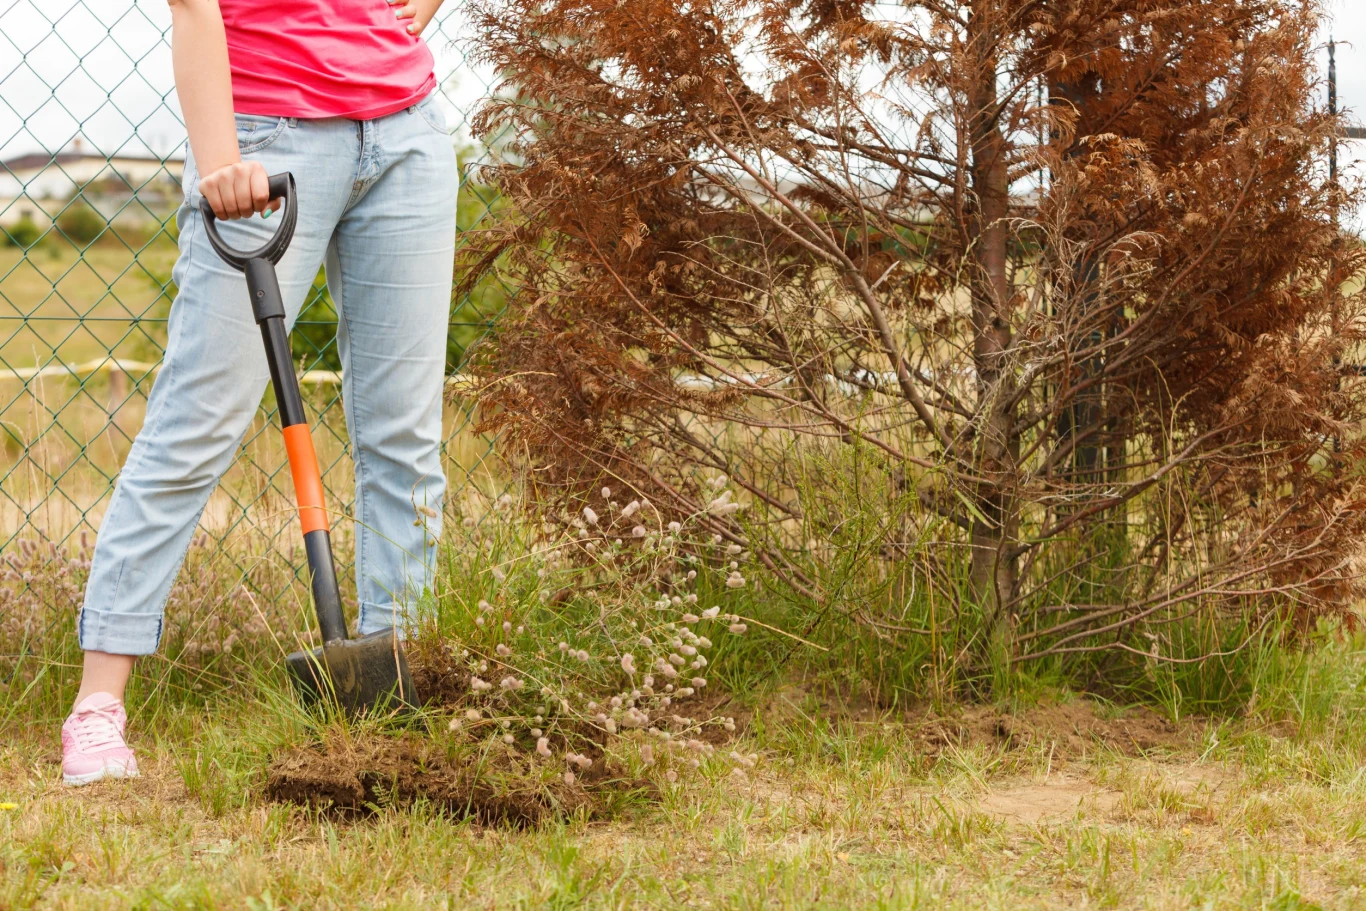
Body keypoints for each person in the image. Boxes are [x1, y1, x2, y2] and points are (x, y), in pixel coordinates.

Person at [60, 0, 455, 786]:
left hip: (406, 130)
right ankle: (96, 707)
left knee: (404, 437)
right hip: (267, 133)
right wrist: (219, 162)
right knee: (195, 424)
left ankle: (393, 690)